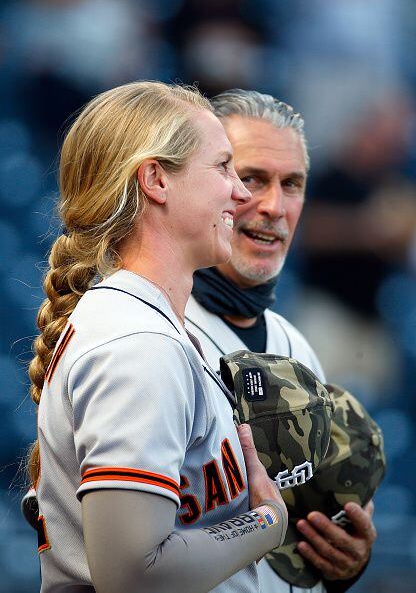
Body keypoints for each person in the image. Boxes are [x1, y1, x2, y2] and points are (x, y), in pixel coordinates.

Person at [27, 81, 289, 592]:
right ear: (155, 180)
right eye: (221, 167)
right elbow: (132, 577)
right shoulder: (137, 343)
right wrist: (267, 523)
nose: (242, 191)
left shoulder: (144, 325)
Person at [185, 89, 377, 593]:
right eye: (251, 179)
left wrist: (342, 554)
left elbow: (304, 526)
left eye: (291, 184)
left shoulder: (296, 346)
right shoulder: (152, 333)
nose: (274, 207)